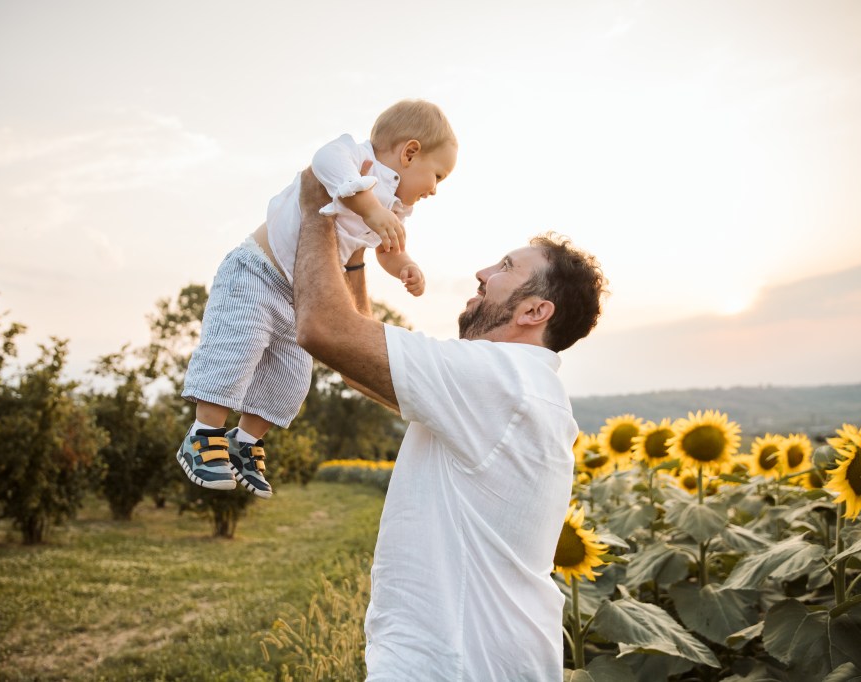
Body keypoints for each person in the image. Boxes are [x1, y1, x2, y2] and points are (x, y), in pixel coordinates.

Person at [293, 164, 607, 681]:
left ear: (534, 310)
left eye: (505, 266)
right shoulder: (517, 389)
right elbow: (364, 374)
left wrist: (316, 209)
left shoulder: (501, 380)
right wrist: (352, 253)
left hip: (457, 665)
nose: (483, 273)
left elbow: (324, 328)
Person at [176, 100, 457, 497]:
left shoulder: (396, 208)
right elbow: (322, 161)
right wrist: (369, 207)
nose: (433, 190)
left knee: (290, 379)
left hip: (300, 296)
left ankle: (245, 442)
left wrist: (405, 264)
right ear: (410, 153)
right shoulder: (356, 158)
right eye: (438, 176)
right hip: (258, 271)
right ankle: (203, 435)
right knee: (236, 351)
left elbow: (385, 248)